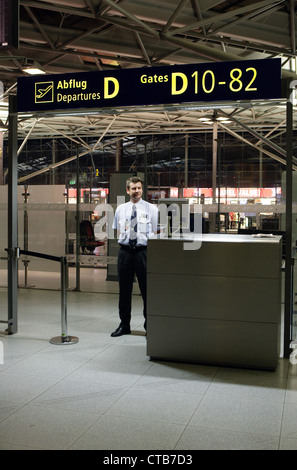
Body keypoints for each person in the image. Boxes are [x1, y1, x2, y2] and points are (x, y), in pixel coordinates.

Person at [111, 176, 158, 337]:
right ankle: (124, 325)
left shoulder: (152, 209)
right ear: (127, 190)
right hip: (125, 252)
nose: (136, 191)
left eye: (139, 188)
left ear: (142, 189)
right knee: (124, 291)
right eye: (133, 188)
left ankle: (150, 326)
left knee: (147, 291)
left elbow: (157, 232)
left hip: (143, 253)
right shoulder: (120, 209)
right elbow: (118, 230)